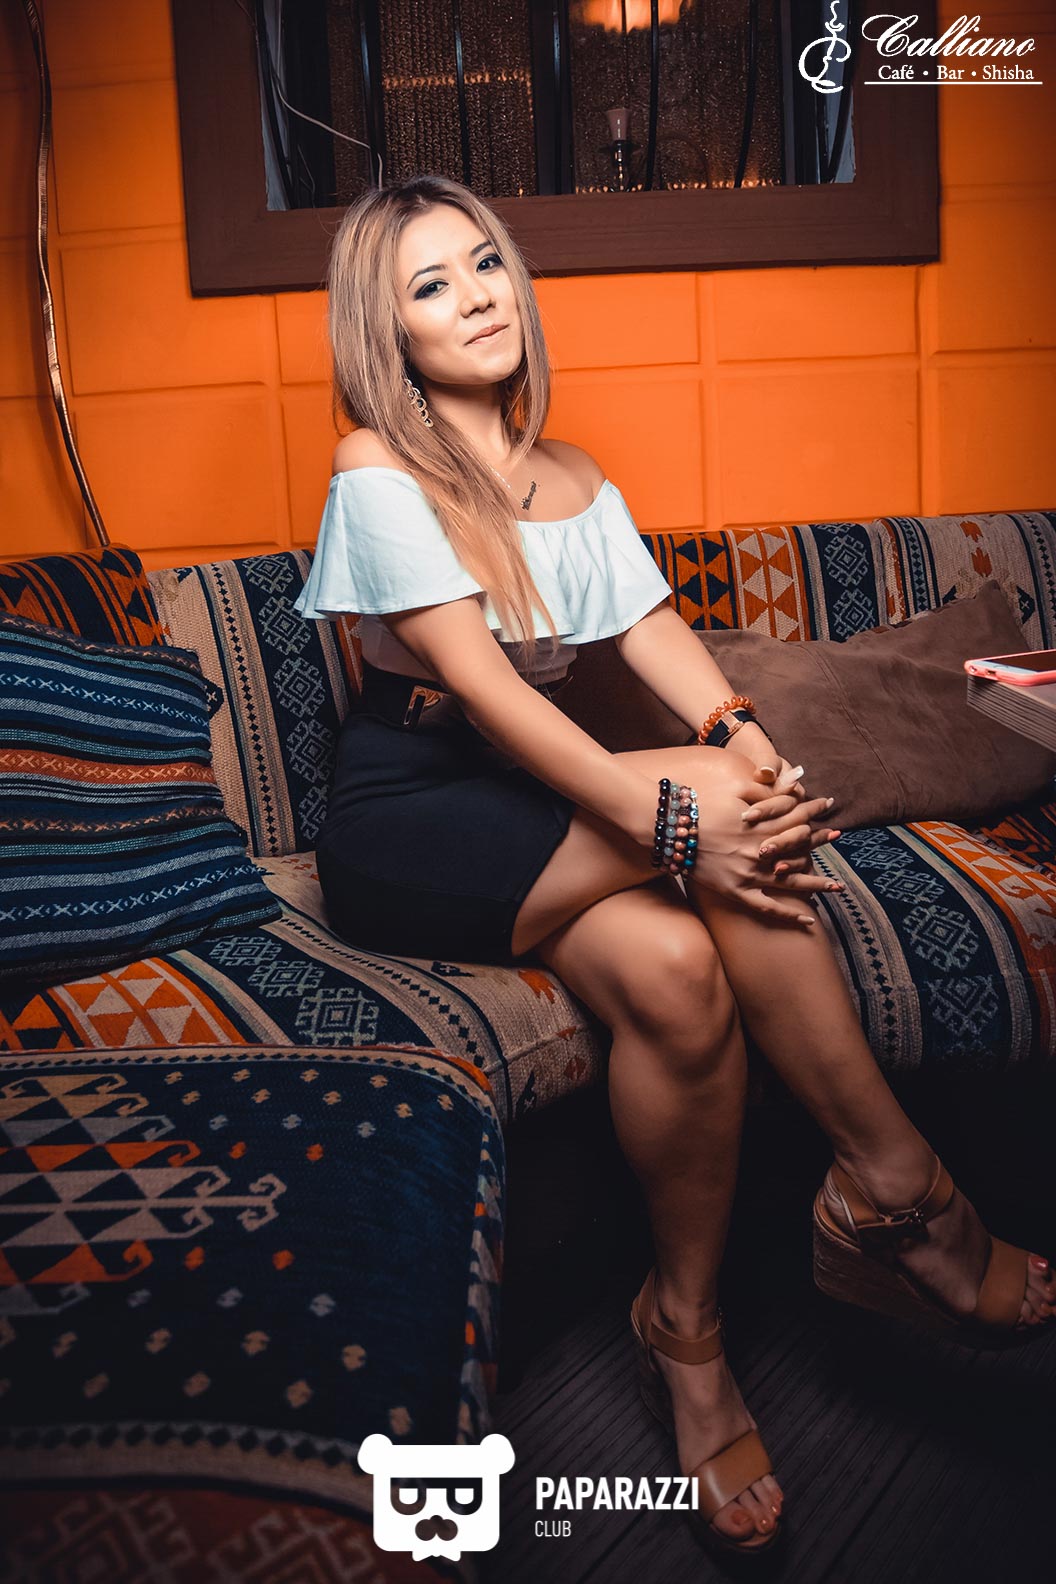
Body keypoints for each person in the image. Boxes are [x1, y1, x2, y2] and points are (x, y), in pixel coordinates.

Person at [295, 174, 1056, 1561]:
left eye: (485, 264)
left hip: (529, 805)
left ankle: (682, 1333)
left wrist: (746, 744)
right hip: (409, 813)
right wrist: (674, 812)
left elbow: (652, 634)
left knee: (680, 971)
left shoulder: (575, 476)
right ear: (387, 333)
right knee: (711, 816)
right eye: (430, 286)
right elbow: (489, 693)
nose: (477, 298)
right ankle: (900, 1191)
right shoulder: (375, 467)